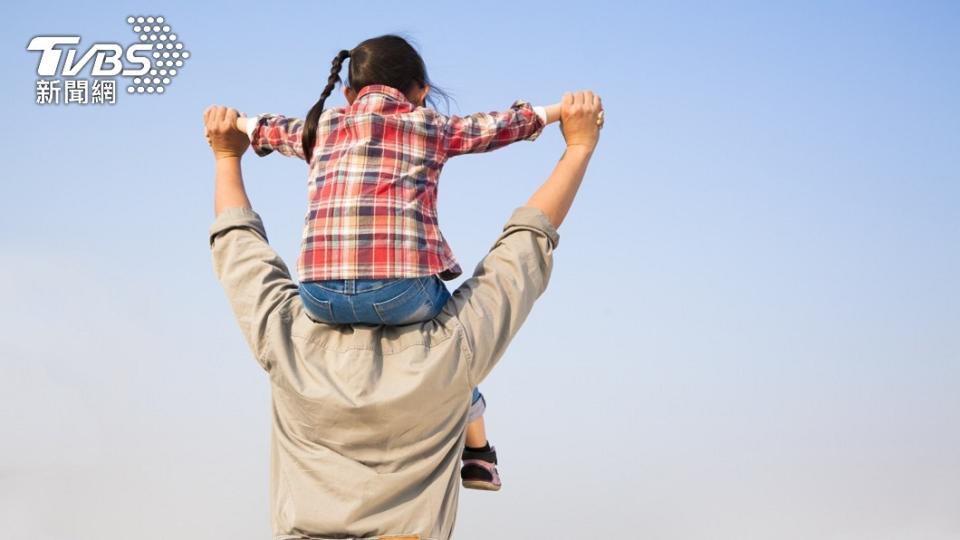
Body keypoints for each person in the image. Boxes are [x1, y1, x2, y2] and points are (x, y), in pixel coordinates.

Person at [205, 89, 602, 540]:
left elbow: (239, 249)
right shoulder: (455, 350)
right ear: (420, 94)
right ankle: (480, 455)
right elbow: (523, 249)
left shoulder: (285, 339)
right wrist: (578, 147)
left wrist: (226, 156)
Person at [226, 34, 563, 490]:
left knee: (439, 340)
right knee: (457, 347)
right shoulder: (427, 124)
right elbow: (496, 126)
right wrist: (561, 111)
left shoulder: (319, 127)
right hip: (401, 292)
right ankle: (479, 452)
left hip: (318, 295)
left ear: (348, 94)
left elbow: (263, 128)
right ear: (421, 90)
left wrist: (232, 122)